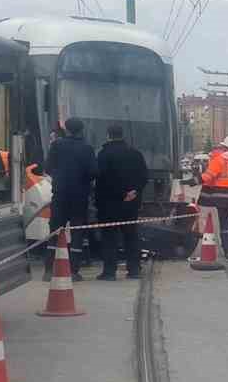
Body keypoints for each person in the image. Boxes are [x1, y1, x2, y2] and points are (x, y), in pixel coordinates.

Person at [94, 124, 149, 280]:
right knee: (131, 235)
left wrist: (120, 193)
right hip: (130, 204)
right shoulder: (135, 154)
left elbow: (103, 180)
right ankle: (134, 270)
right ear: (122, 135)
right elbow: (144, 176)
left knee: (109, 237)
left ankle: (109, 272)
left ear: (108, 135)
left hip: (108, 204)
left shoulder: (103, 154)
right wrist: (134, 192)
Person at [43, 117, 95, 279]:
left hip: (60, 194)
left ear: (66, 129)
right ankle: (73, 271)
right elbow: (94, 172)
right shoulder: (87, 148)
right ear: (81, 130)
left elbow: (48, 167)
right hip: (79, 197)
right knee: (77, 233)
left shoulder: (57, 145)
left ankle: (49, 270)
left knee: (55, 231)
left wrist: (59, 178)